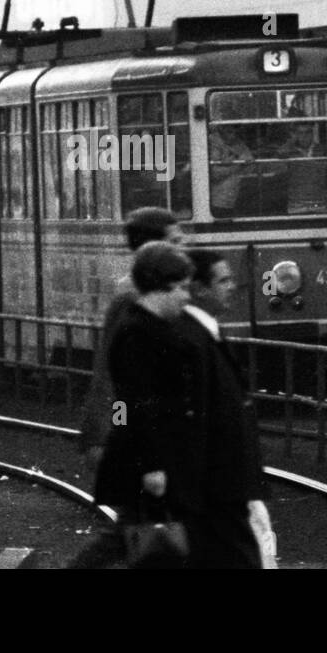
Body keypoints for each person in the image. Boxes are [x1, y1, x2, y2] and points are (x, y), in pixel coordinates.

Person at [67, 207, 184, 569]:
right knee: (137, 533)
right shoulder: (134, 300)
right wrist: (104, 434)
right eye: (176, 241)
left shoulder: (144, 297)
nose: (185, 247)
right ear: (154, 248)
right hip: (132, 438)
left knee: (134, 532)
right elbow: (116, 375)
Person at [92, 241, 200, 568]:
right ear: (159, 288)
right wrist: (153, 465)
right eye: (181, 288)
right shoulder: (139, 333)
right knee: (139, 539)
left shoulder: (149, 328)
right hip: (147, 464)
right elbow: (137, 402)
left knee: (138, 540)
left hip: (153, 460)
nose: (187, 296)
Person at [174, 249, 269, 569]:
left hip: (223, 486)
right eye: (223, 280)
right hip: (215, 487)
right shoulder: (191, 339)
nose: (232, 286)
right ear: (199, 288)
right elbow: (131, 402)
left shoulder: (205, 333)